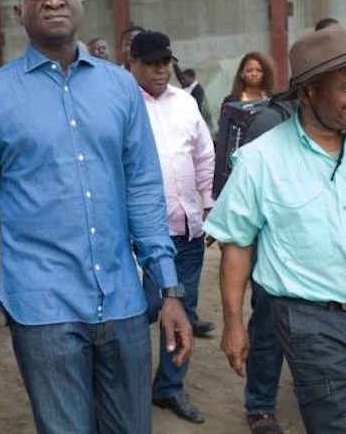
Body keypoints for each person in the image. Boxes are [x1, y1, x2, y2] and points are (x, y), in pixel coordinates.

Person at [0, 0, 192, 434]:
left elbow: (143, 188)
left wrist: (169, 288)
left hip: (122, 299)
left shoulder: (120, 86)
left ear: (81, 4)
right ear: (20, 12)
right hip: (42, 306)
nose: (54, 0)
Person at [206, 25, 346, 434]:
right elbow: (238, 244)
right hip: (311, 323)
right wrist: (233, 323)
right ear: (307, 92)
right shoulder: (260, 160)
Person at [129, 30, 215, 424]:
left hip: (187, 231)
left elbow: (203, 156)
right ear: (133, 65)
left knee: (182, 309)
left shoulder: (185, 103)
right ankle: (125, 388)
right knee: (140, 309)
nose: (161, 69)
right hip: (142, 237)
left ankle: (169, 388)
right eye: (151, 63)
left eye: (165, 62)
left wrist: (208, 203)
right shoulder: (124, 105)